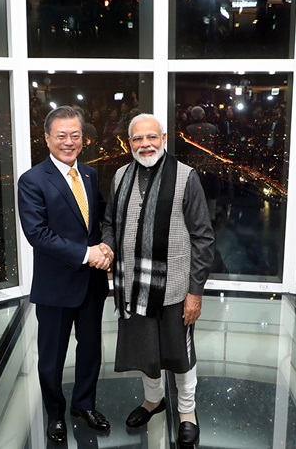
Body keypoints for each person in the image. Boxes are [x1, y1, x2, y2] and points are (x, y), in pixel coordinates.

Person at [102, 113, 214, 446]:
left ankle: (187, 411)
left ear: (163, 139)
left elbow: (204, 237)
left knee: (181, 354)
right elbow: (110, 222)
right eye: (138, 139)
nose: (145, 144)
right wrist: (108, 247)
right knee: (145, 351)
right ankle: (153, 401)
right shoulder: (120, 176)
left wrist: (195, 291)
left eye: (152, 137)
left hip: (176, 288)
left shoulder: (185, 177)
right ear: (129, 142)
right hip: (133, 286)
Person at [17, 105, 113, 445]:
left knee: (90, 350)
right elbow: (37, 234)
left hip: (91, 285)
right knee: (52, 357)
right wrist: (88, 254)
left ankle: (84, 405)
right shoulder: (31, 180)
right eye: (61, 136)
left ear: (83, 139)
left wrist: (107, 247)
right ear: (47, 138)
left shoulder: (89, 174)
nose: (68, 142)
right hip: (56, 286)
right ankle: (55, 414)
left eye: (75, 135)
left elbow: (101, 218)